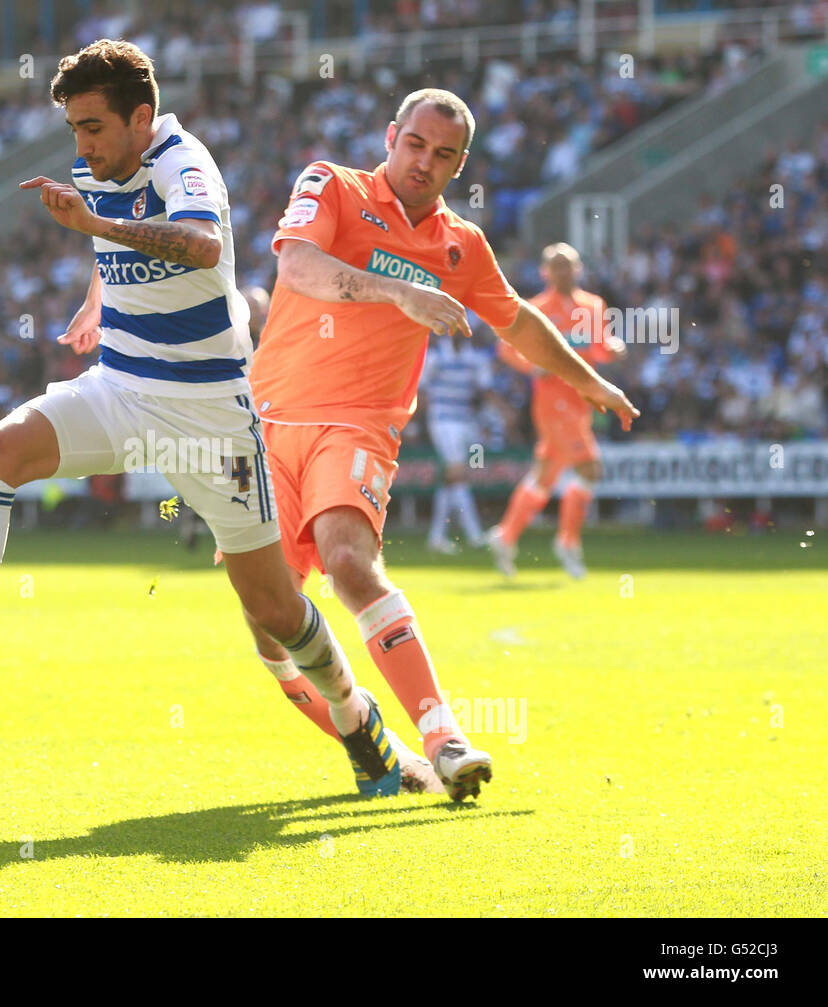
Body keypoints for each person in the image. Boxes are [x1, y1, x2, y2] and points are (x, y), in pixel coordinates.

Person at [0, 39, 414, 797]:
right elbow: (106, 225)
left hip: (211, 416)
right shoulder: (98, 167)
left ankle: (358, 721)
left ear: (141, 116)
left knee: (276, 607)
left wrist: (96, 227)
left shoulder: (187, 164)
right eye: (74, 129)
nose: (81, 146)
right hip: (120, 388)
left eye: (93, 128)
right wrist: (94, 298)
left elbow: (200, 242)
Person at [242, 90, 640, 799]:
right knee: (270, 626)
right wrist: (395, 291)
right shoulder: (331, 184)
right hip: (269, 423)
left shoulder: (462, 245)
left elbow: (516, 321)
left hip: (358, 422)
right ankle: (370, 738)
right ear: (391, 135)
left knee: (349, 563)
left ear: (461, 164)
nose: (425, 161)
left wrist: (589, 383)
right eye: (416, 144)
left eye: (444, 154)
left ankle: (443, 735)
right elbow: (297, 266)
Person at [487, 242, 626, 579]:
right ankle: (567, 542)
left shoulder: (593, 306)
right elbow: (506, 348)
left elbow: (599, 350)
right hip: (552, 400)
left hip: (582, 400)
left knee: (546, 474)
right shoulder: (535, 309)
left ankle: (505, 536)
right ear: (544, 272)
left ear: (579, 269)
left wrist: (613, 350)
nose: (563, 271)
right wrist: (532, 366)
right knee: (589, 468)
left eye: (569, 265)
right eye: (557, 265)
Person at [420, 330, 494, 553]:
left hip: (467, 424)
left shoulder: (477, 359)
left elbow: (484, 393)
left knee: (454, 478)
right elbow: (421, 392)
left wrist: (489, 419)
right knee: (457, 474)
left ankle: (436, 537)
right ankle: (474, 535)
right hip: (443, 421)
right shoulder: (435, 357)